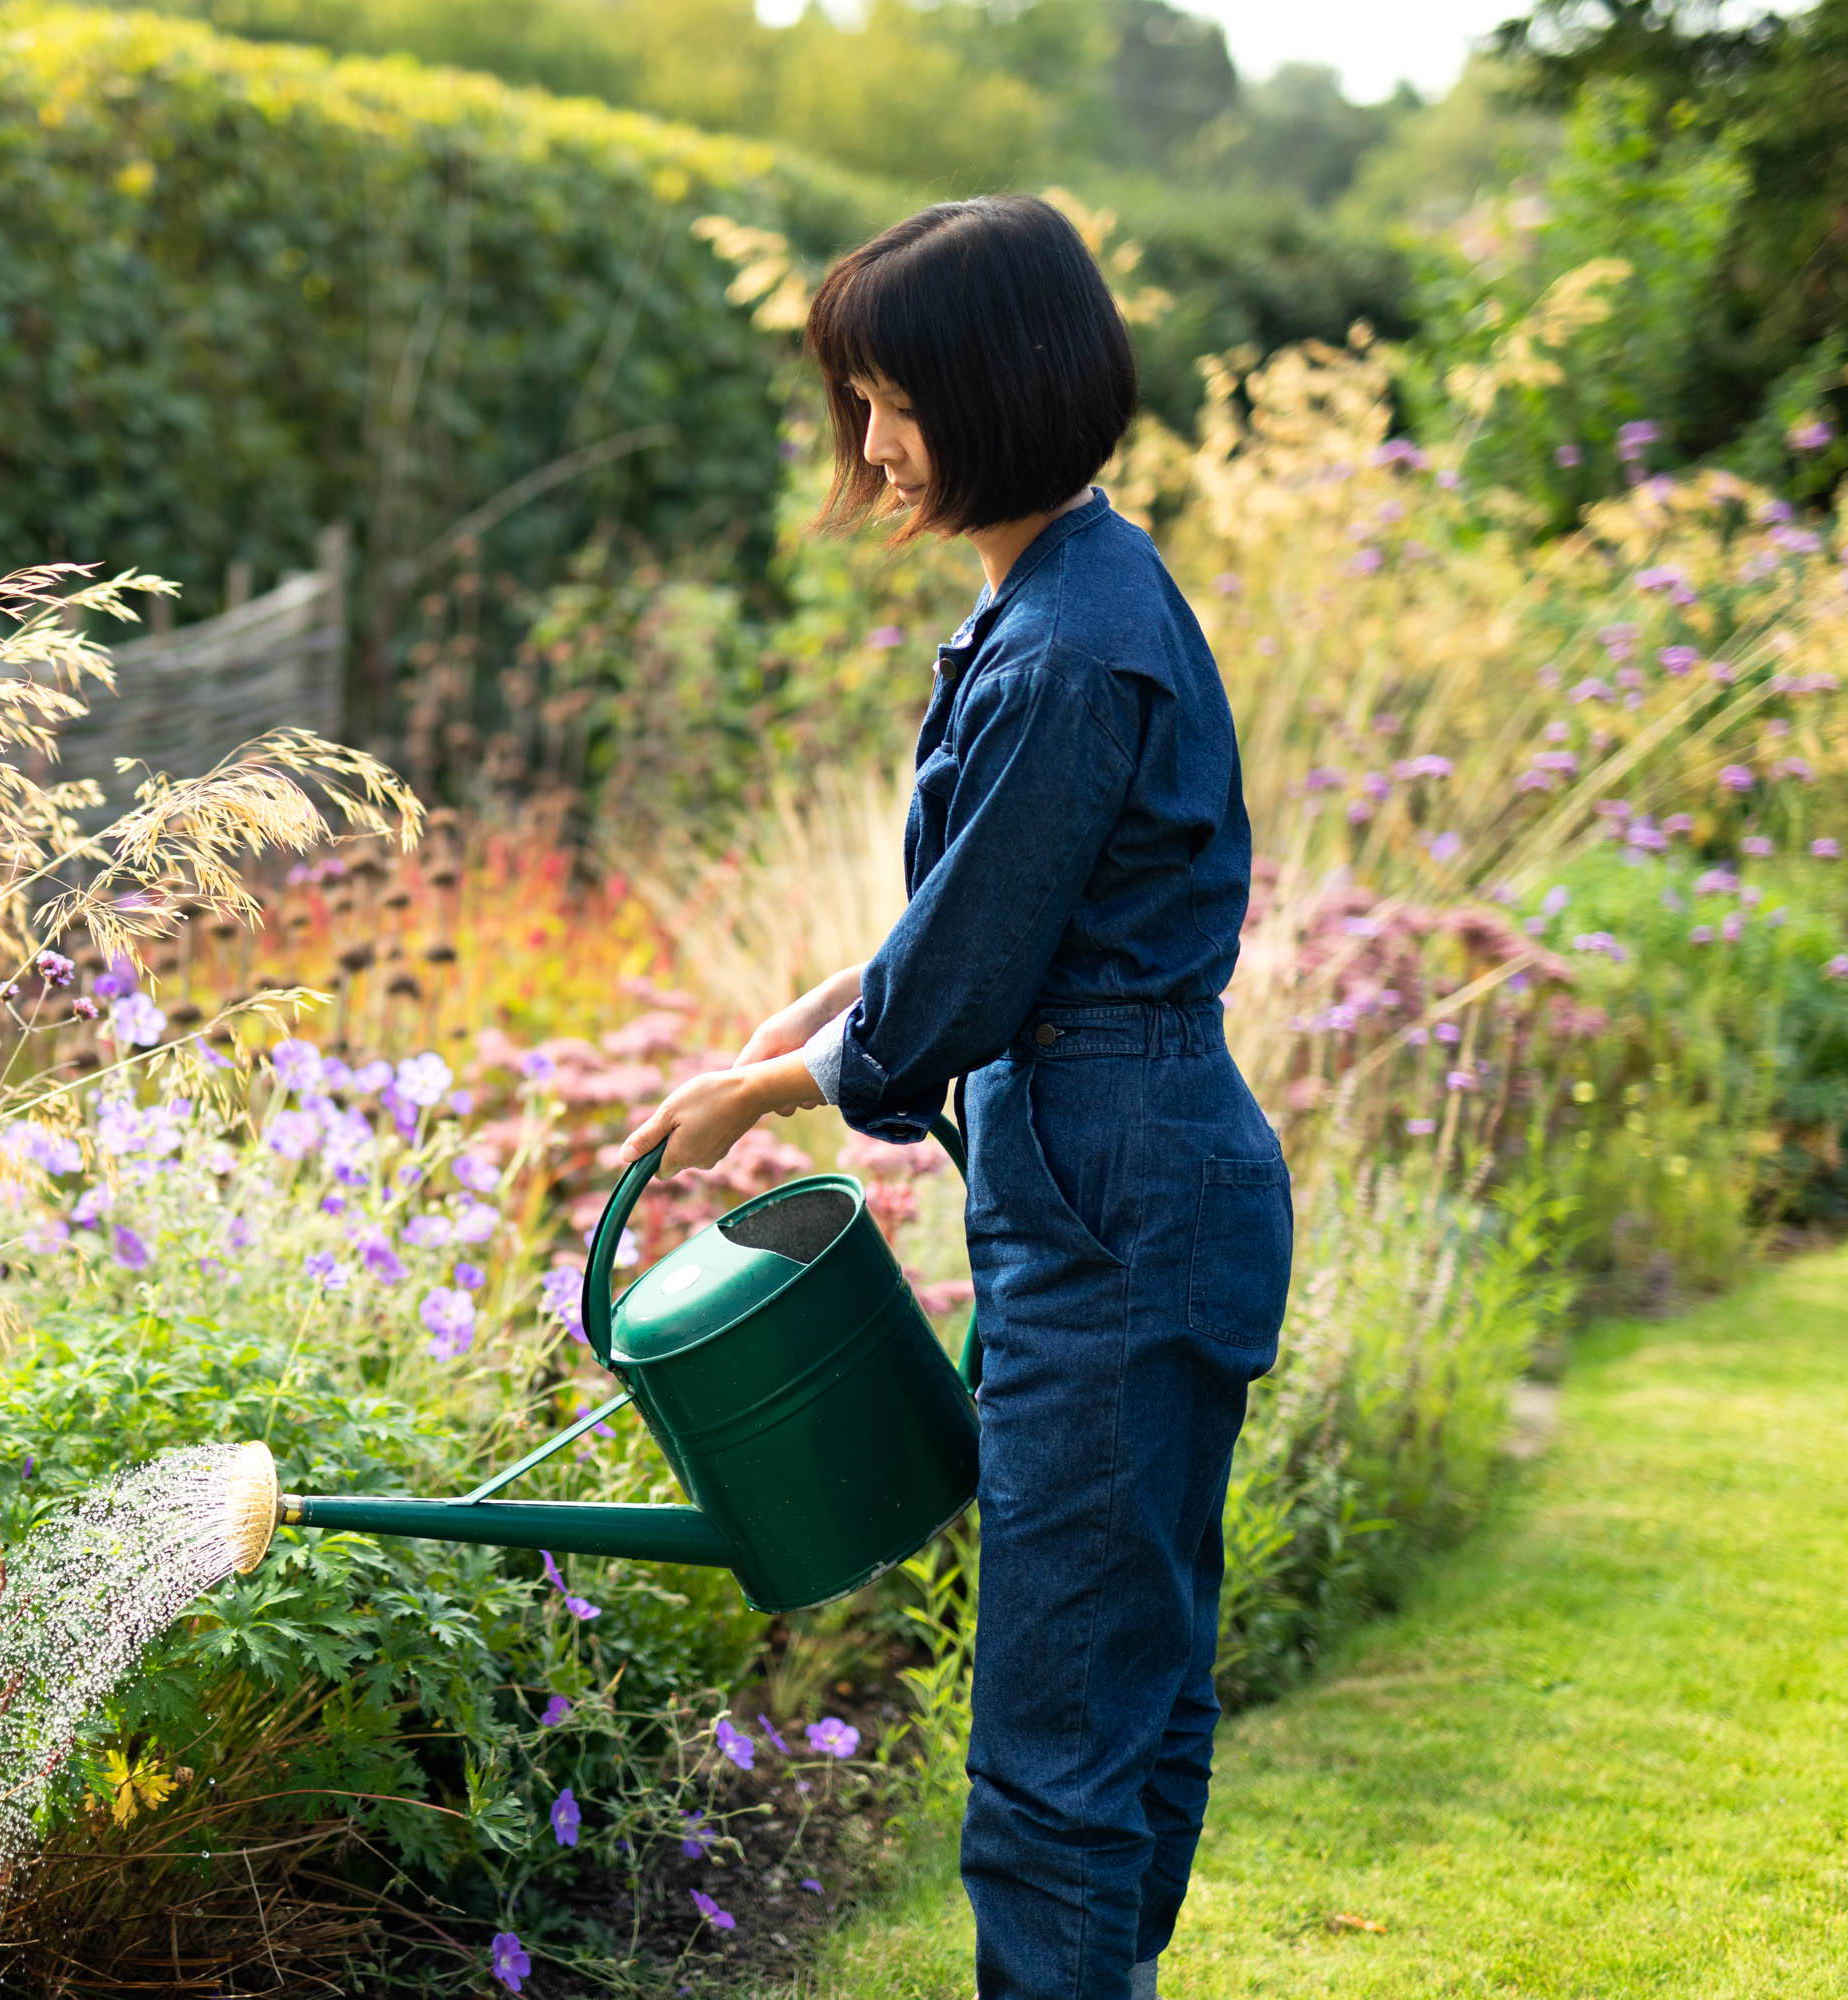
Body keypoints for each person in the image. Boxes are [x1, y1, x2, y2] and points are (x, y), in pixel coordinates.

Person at [615, 194, 1294, 2000]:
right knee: (1124, 1687)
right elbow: (1010, 908)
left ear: (1000, 386)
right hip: (1135, 1171)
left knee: (1058, 1749)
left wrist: (777, 1085)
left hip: (1115, 1189)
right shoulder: (1075, 594)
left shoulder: (1065, 646)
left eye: (894, 397)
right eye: (858, 399)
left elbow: (974, 980)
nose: (871, 443)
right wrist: (832, 1003)